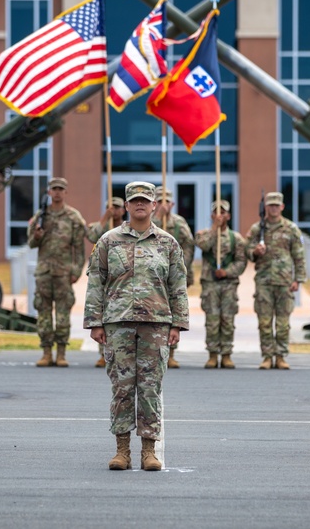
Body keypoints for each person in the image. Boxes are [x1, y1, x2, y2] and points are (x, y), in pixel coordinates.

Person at [85, 181, 189, 472]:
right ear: (127, 206)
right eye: (135, 200)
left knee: (150, 388)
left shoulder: (168, 243)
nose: (140, 204)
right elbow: (95, 282)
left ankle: (148, 451)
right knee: (121, 387)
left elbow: (178, 285)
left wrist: (178, 325)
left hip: (156, 325)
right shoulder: (108, 240)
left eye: (146, 200)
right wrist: (95, 322)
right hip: (117, 325)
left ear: (154, 205)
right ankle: (122, 451)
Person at [27, 177, 86, 368]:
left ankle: (61, 353)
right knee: (43, 313)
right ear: (49, 192)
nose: (58, 192)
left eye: (61, 189)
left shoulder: (73, 217)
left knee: (62, 316)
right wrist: (36, 236)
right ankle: (46, 352)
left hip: (63, 273)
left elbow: (79, 248)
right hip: (44, 272)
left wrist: (76, 270)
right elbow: (31, 244)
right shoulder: (40, 217)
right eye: (54, 189)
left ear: (65, 192)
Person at [245, 191, 306, 370]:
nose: (273, 208)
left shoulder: (291, 229)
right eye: (270, 205)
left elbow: (299, 256)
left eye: (276, 205)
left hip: (284, 282)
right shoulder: (258, 229)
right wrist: (255, 252)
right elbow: (246, 250)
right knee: (264, 322)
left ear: (282, 207)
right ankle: (267, 356)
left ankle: (280, 356)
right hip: (264, 281)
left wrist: (298, 279)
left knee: (282, 323)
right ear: (266, 207)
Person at [194, 199, 246, 369]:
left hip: (228, 284)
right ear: (211, 215)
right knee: (212, 319)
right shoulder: (204, 234)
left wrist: (227, 271)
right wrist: (214, 228)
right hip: (210, 284)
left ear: (228, 216)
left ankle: (226, 354)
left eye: (223, 212)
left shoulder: (235, 238)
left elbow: (241, 261)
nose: (219, 215)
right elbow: (204, 245)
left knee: (227, 319)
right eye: (216, 212)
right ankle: (212, 354)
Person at [153, 186, 194, 369]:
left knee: (173, 313)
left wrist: (180, 265)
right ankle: (152, 352)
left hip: (172, 275)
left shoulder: (179, 223)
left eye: (167, 201)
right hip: (152, 277)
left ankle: (171, 353)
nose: (164, 205)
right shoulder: (150, 222)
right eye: (160, 201)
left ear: (172, 204)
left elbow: (189, 245)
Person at [86, 196, 126, 368]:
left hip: (121, 276)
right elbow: (92, 236)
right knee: (102, 313)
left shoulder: (126, 228)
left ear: (123, 209)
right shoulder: (102, 227)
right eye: (111, 207)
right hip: (104, 274)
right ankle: (103, 353)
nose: (114, 210)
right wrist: (104, 218)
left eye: (117, 207)